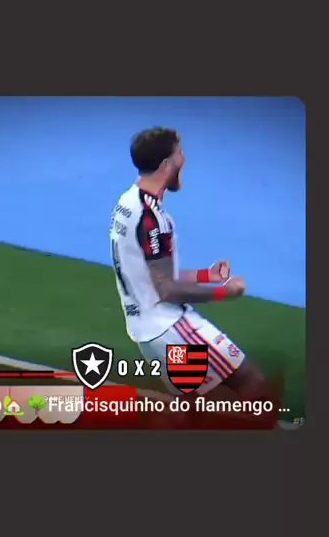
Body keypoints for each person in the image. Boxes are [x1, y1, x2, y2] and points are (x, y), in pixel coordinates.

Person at [109, 126, 284, 428]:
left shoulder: (127, 203)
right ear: (166, 165)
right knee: (253, 383)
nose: (184, 159)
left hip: (147, 329)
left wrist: (207, 275)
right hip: (170, 328)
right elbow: (166, 289)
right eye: (180, 153)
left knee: (190, 410)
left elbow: (149, 271)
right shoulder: (153, 220)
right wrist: (225, 292)